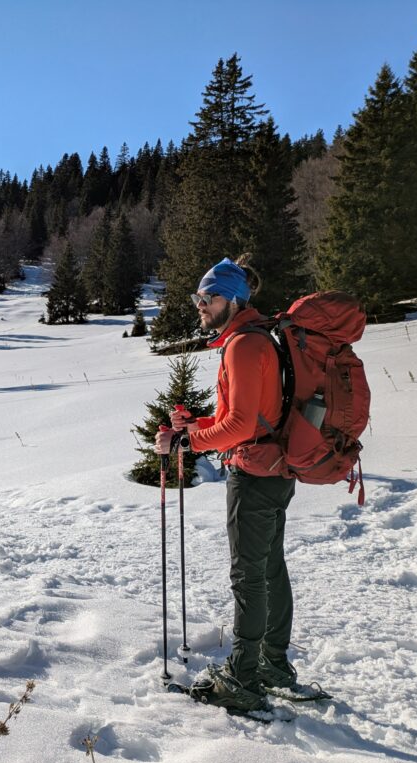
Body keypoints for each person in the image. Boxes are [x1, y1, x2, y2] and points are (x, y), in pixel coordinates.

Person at [155, 255, 298, 712]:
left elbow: (237, 426)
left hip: (255, 473)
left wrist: (186, 440)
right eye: (198, 296)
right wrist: (196, 424)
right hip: (272, 467)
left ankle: (242, 676)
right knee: (269, 569)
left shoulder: (243, 345)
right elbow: (242, 416)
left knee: (249, 576)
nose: (199, 304)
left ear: (231, 299)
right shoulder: (251, 339)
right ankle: (272, 665)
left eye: (206, 297)